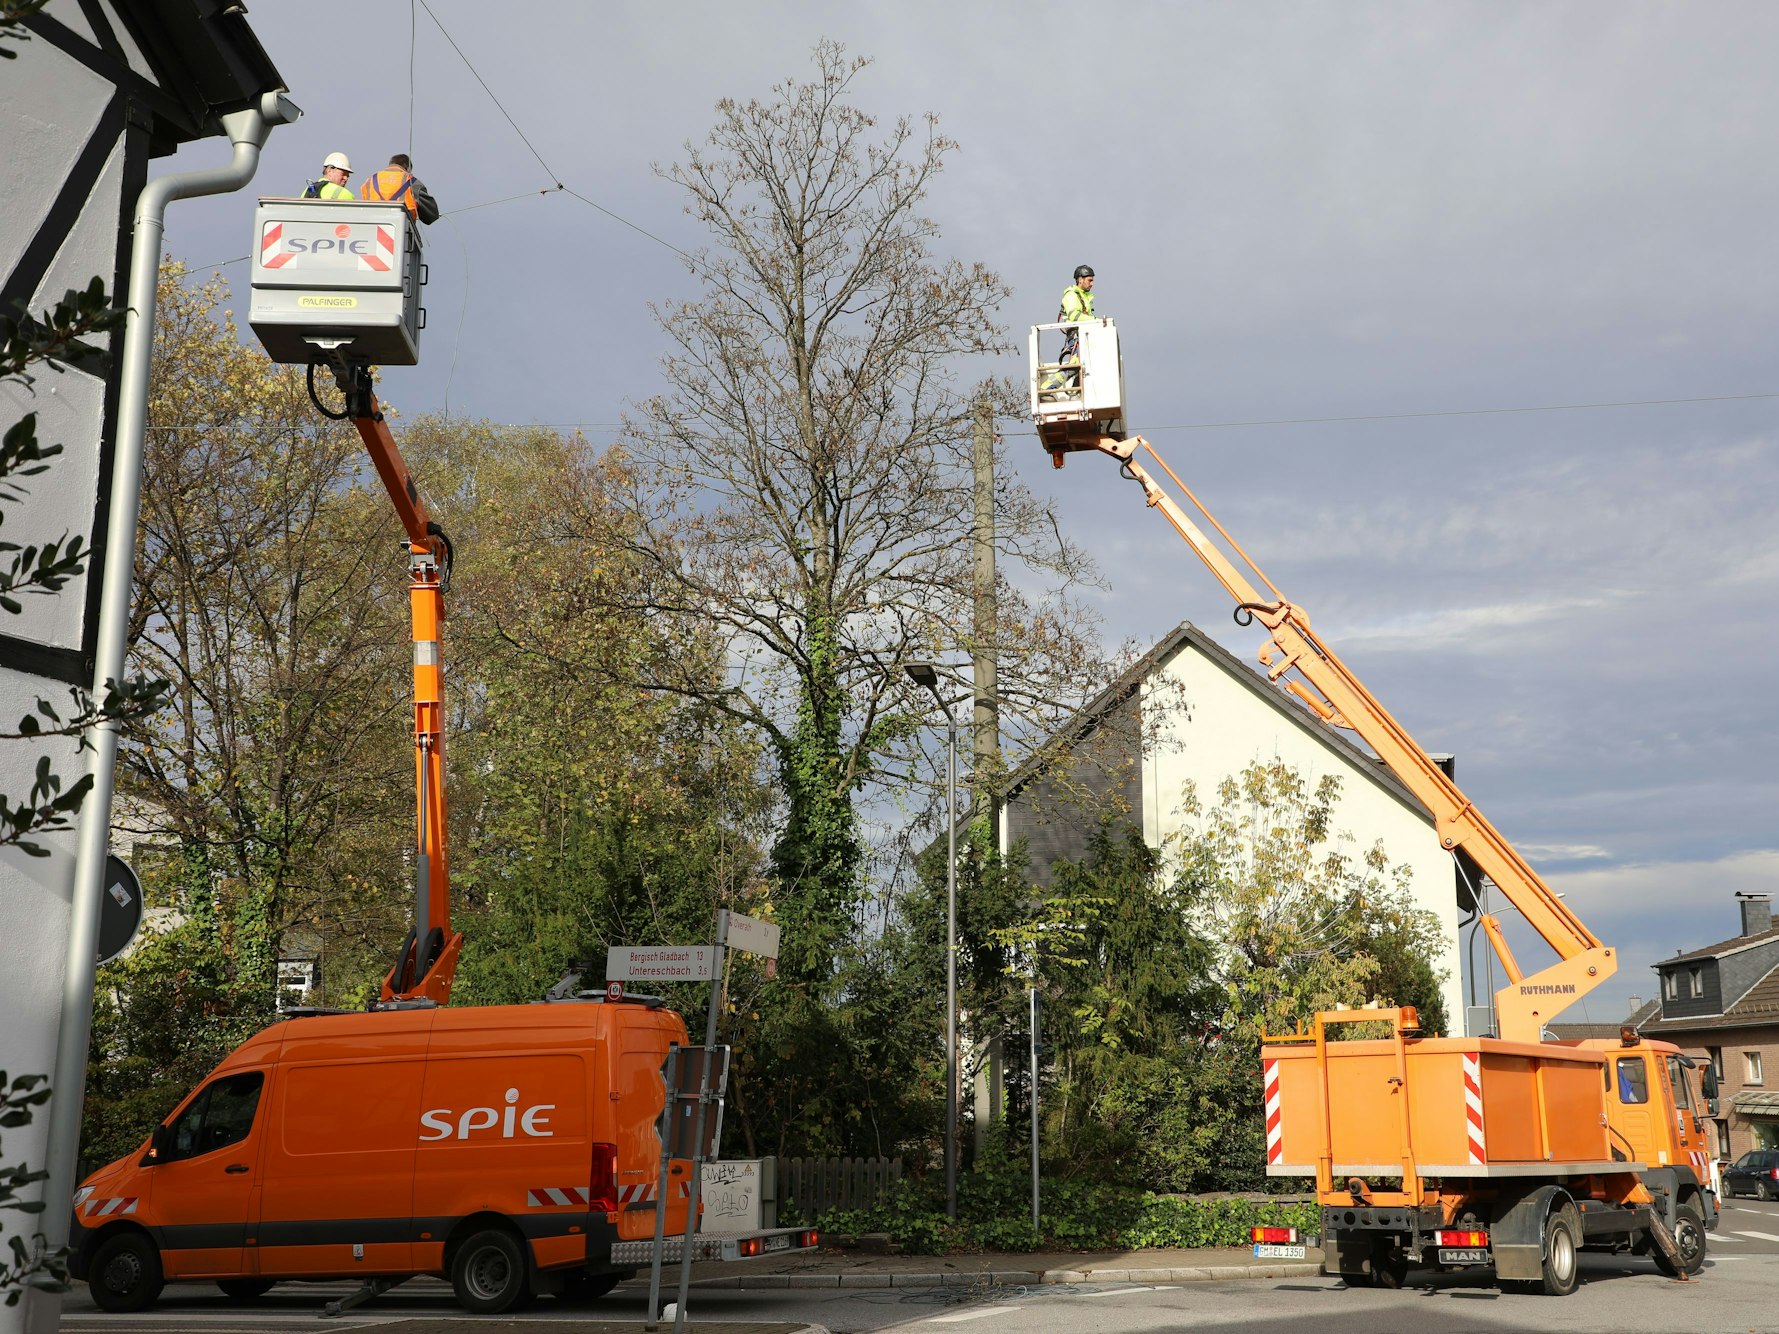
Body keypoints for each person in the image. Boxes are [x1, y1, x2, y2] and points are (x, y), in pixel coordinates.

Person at [1041, 264, 1098, 396]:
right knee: (1073, 368)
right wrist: (1095, 320)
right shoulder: (1072, 295)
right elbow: (1074, 316)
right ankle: (1045, 388)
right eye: (1090, 280)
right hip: (1076, 339)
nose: (1092, 284)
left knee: (1084, 368)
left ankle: (1076, 393)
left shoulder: (1084, 297)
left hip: (1083, 338)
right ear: (1080, 279)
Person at [360, 153, 441, 225]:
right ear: (407, 168)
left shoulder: (369, 181)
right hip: (401, 233)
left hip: (371, 231)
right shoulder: (411, 181)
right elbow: (431, 215)